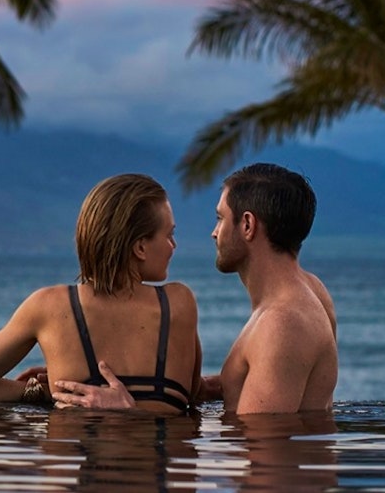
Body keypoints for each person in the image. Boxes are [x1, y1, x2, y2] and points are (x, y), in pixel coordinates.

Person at [53, 162, 336, 415]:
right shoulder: (311, 291)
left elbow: (261, 448)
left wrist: (129, 411)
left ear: (247, 225)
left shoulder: (282, 324)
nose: (214, 233)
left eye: (220, 218)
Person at [0, 173, 201, 415]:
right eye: (169, 234)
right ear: (140, 247)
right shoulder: (179, 303)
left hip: (78, 455)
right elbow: (192, 393)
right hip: (159, 454)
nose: (173, 245)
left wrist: (48, 391)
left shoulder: (49, 307)